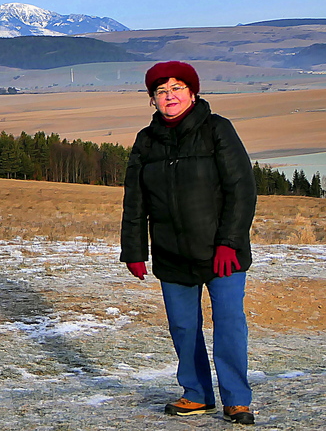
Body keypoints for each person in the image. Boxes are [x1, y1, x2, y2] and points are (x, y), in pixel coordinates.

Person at [120, 61, 257, 425]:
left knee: (228, 324)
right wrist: (134, 250)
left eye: (177, 88)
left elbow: (241, 189)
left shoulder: (217, 130)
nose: (170, 96)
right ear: (152, 101)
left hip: (221, 254)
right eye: (161, 91)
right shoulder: (146, 141)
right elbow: (135, 200)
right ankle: (196, 393)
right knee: (183, 327)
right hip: (171, 254)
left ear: (193, 93)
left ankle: (237, 399)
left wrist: (229, 242)